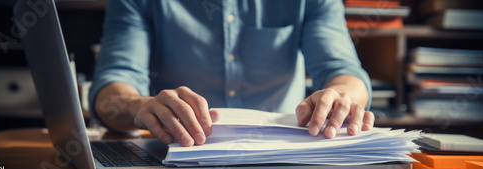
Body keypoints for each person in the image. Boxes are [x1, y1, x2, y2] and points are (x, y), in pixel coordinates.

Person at [89, 0, 374, 147]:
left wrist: (340, 96)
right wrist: (140, 106)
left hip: (283, 162)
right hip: (175, 159)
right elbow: (112, 87)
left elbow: (343, 71)